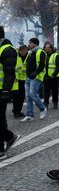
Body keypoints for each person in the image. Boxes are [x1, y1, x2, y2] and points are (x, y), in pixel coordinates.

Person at [0, 26, 21, 159]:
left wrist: (6, 90)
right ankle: (10, 136)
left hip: (2, 90)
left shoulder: (7, 49)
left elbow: (9, 72)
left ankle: (1, 150)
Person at [21, 38, 47, 122]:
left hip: (36, 77)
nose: (29, 44)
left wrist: (35, 73)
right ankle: (29, 115)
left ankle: (42, 108)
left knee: (33, 94)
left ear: (35, 44)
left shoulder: (41, 52)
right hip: (28, 77)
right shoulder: (30, 52)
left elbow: (42, 65)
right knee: (28, 96)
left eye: (30, 43)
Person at [43, 43, 59, 109]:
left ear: (50, 48)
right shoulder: (44, 55)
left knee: (55, 91)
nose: (45, 48)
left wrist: (53, 75)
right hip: (46, 76)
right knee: (46, 91)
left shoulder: (55, 55)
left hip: (54, 77)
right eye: (45, 47)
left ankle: (55, 103)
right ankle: (45, 103)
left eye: (47, 47)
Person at [11, 45, 28, 118]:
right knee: (16, 96)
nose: (23, 52)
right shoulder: (16, 57)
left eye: (24, 51)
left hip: (23, 79)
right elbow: (15, 69)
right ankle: (16, 112)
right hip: (16, 80)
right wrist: (16, 77)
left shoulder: (27, 57)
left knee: (22, 96)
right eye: (22, 51)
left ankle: (19, 110)